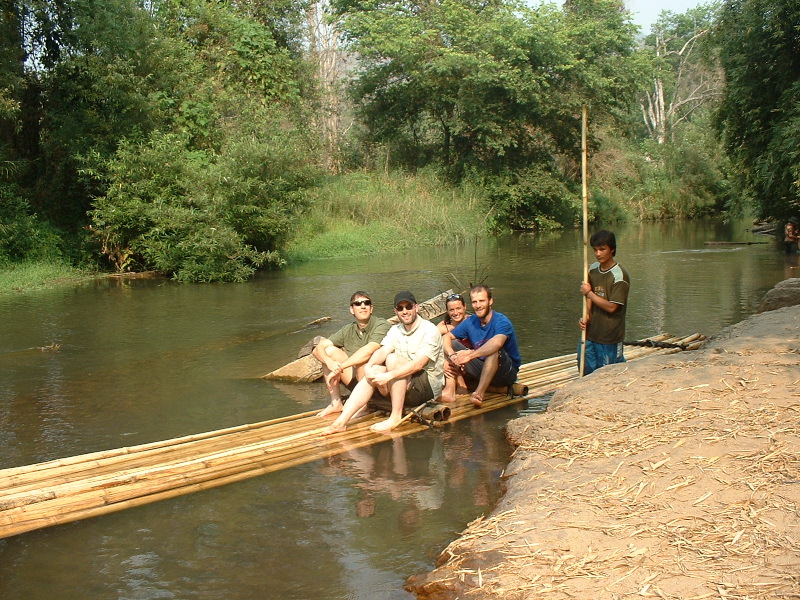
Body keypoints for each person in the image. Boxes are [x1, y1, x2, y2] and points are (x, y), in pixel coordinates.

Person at [322, 291, 444, 434]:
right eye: (400, 308)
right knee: (376, 369)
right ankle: (341, 422)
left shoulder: (430, 330)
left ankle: (395, 416)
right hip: (404, 382)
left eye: (408, 307)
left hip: (426, 387)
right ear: (396, 311)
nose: (405, 311)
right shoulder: (395, 330)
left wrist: (390, 376)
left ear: (416, 307)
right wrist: (369, 366)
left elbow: (418, 364)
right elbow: (383, 350)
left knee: (393, 359)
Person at [313, 291, 391, 417]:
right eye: (358, 303)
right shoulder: (348, 329)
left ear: (371, 308)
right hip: (357, 379)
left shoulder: (381, 325)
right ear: (351, 309)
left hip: (380, 382)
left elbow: (368, 351)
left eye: (367, 303)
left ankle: (363, 405)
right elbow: (318, 349)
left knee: (363, 362)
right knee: (328, 352)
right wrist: (330, 363)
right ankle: (336, 403)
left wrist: (340, 367)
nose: (363, 306)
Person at [441, 284, 521, 407]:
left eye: (482, 301)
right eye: (475, 302)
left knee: (494, 351)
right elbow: (447, 337)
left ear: (490, 301)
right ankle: (450, 389)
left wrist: (470, 355)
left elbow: (497, 343)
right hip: (482, 369)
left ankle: (478, 393)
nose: (478, 305)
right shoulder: (471, 321)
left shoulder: (502, 321)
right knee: (453, 344)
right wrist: (452, 356)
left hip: (504, 373)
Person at [578, 230, 630, 376]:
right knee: (586, 371)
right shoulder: (593, 269)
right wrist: (586, 315)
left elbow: (612, 307)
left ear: (612, 249)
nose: (598, 254)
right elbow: (589, 299)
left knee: (609, 375)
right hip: (590, 333)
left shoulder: (619, 276)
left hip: (609, 336)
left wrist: (589, 293)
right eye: (595, 250)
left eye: (602, 249)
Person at [437, 293, 471, 398]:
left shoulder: (472, 322)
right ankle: (452, 387)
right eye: (451, 310)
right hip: (453, 366)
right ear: (447, 311)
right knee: (442, 345)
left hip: (470, 362)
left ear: (465, 307)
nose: (456, 313)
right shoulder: (443, 326)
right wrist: (441, 363)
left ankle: (458, 387)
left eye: (458, 308)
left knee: (450, 344)